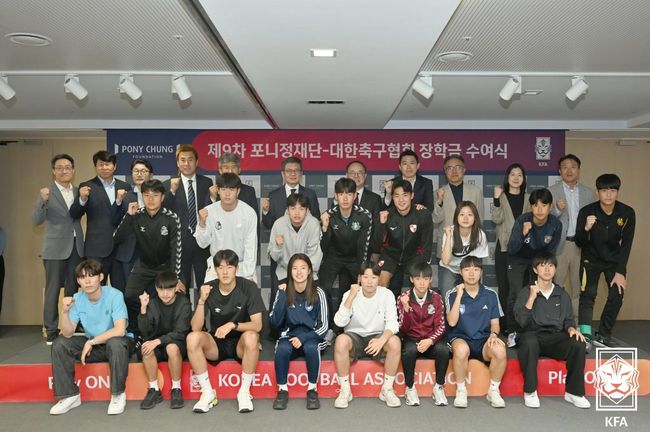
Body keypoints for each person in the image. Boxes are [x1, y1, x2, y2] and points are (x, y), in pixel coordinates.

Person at [49, 259, 134, 416]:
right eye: (82, 277)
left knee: (115, 343)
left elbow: (120, 330)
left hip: (118, 344)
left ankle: (118, 395)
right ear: (78, 281)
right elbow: (67, 333)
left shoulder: (115, 295)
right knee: (60, 343)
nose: (87, 281)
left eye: (91, 276)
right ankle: (70, 395)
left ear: (101, 277)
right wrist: (65, 312)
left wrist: (92, 341)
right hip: (94, 345)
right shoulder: (77, 298)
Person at [186, 249, 265, 414]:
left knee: (252, 337)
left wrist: (232, 325)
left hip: (241, 342)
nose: (225, 272)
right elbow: (195, 328)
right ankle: (208, 393)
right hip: (216, 342)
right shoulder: (209, 288)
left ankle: (244, 393)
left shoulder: (248, 287)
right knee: (192, 338)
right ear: (215, 270)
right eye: (221, 268)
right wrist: (201, 300)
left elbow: (257, 325)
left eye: (229, 267)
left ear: (236, 269)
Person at [514, 252, 590, 409]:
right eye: (542, 265)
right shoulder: (526, 292)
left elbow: (568, 320)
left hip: (555, 337)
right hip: (531, 335)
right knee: (529, 342)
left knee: (578, 343)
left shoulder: (562, 294)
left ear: (555, 269)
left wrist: (571, 329)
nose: (547, 269)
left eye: (551, 265)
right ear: (535, 269)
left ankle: (574, 392)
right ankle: (530, 391)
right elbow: (521, 322)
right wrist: (532, 297)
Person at [113, 179, 184, 335]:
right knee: (130, 296)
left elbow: (176, 250)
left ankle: (171, 332)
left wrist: (176, 278)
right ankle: (136, 332)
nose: (150, 199)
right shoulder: (136, 215)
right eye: (146, 195)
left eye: (155, 195)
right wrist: (128, 216)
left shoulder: (171, 218)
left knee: (176, 295)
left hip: (166, 267)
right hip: (144, 265)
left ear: (162, 197)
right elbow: (116, 238)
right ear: (142, 196)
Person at [576, 174, 635, 348]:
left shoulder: (627, 213)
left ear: (618, 192)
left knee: (617, 295)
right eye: (604, 190)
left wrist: (620, 271)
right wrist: (586, 228)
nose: (608, 194)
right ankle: (585, 336)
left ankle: (603, 335)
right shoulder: (587, 212)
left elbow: (627, 244)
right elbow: (579, 242)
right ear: (597, 192)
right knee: (588, 296)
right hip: (590, 260)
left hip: (614, 261)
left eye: (612, 190)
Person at [333, 262, 401, 408]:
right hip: (354, 336)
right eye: (365, 277)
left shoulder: (387, 294)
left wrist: (382, 340)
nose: (369, 281)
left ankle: (387, 389)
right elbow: (339, 322)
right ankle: (345, 390)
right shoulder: (349, 294)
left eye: (374, 277)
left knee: (395, 342)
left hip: (377, 337)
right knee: (340, 341)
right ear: (359, 278)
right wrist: (351, 296)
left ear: (379, 279)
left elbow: (393, 323)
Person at [32, 154, 84, 344]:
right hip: (55, 248)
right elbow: (36, 220)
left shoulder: (78, 191)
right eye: (60, 167)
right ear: (53, 171)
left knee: (74, 289)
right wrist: (42, 200)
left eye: (68, 167)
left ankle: (71, 325)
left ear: (73, 170)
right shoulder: (47, 192)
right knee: (53, 289)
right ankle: (51, 329)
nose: (64, 171)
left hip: (76, 247)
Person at [269, 254, 328, 410]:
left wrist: (304, 337)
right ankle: (282, 390)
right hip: (290, 335)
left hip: (312, 336)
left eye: (303, 268)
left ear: (309, 271)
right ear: (290, 271)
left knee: (311, 348)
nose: (299, 272)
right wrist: (282, 295)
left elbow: (324, 326)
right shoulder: (284, 291)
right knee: (282, 349)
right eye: (295, 268)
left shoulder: (318, 292)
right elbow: (275, 322)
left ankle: (312, 389)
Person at [445, 255, 506, 409]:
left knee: (499, 349)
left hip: (483, 340)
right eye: (467, 270)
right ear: (460, 272)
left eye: (476, 269)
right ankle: (461, 390)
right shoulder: (452, 294)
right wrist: (459, 295)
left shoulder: (490, 294)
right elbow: (451, 322)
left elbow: (495, 324)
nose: (471, 273)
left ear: (481, 272)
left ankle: (493, 390)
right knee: (461, 349)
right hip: (460, 337)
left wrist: (493, 335)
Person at [506, 188, 562, 347]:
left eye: (543, 205)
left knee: (540, 291)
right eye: (536, 205)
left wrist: (543, 268)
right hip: (517, 258)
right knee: (516, 293)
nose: (539, 209)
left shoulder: (555, 224)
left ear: (550, 207)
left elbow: (551, 252)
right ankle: (512, 331)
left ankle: (536, 328)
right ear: (531, 207)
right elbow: (511, 248)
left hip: (539, 260)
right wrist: (523, 233)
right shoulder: (522, 220)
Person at [262, 156, 321, 300]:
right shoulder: (274, 195)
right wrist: (266, 211)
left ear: (301, 173)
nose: (293, 174)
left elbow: (316, 218)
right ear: (283, 173)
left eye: (296, 170)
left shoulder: (310, 194)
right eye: (289, 171)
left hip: (306, 260)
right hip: (282, 259)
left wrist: (302, 269)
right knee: (279, 300)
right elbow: (269, 224)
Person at [69, 151, 131, 286]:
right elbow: (74, 214)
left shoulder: (125, 187)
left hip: (121, 249)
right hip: (96, 248)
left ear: (114, 166)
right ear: (95, 166)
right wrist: (82, 199)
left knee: (121, 290)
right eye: (101, 164)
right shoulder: (87, 187)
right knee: (96, 288)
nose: (104, 167)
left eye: (108, 164)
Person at [319, 178, 372, 335]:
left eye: (349, 194)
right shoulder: (329, 215)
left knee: (353, 290)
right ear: (335, 196)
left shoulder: (364, 215)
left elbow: (363, 246)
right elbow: (323, 247)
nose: (345, 198)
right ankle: (327, 326)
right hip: (333, 256)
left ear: (355, 196)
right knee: (323, 289)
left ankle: (350, 327)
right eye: (341, 194)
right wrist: (325, 227)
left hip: (354, 258)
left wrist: (361, 271)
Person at [397, 261, 450, 407]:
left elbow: (441, 326)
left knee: (443, 350)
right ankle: (409, 388)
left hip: (431, 339)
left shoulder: (437, 298)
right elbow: (403, 328)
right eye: (418, 279)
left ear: (430, 280)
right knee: (409, 351)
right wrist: (406, 309)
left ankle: (439, 387)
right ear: (411, 279)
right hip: (411, 338)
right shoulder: (403, 297)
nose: (422, 283)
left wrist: (430, 341)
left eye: (425, 279)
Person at [548, 154, 596, 316]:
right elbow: (544, 220)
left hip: (581, 246)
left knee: (579, 286)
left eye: (573, 167)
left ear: (579, 170)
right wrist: (557, 209)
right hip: (560, 246)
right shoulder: (551, 191)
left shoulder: (588, 193)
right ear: (559, 171)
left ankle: (576, 323)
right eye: (565, 167)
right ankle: (557, 322)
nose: (569, 171)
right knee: (556, 285)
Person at [162, 145, 213, 295]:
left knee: (205, 286)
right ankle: (183, 311)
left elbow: (211, 209)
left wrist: (212, 197)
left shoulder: (207, 183)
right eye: (183, 160)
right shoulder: (168, 185)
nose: (186, 163)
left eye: (190, 160)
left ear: (197, 162)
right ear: (177, 163)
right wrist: (171, 192)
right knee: (181, 287)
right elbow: (163, 212)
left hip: (202, 241)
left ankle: (203, 311)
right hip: (179, 243)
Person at [138, 271, 192, 410]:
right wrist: (143, 308)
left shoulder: (184, 303)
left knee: (171, 347)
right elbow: (145, 331)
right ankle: (154, 389)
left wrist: (158, 341)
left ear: (176, 288)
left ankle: (176, 388)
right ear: (156, 289)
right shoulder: (152, 303)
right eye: (161, 289)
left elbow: (180, 332)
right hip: (157, 344)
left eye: (169, 289)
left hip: (176, 343)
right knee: (146, 348)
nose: (165, 293)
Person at [374, 179, 433, 297]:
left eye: (405, 195)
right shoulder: (387, 214)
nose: (401, 200)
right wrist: (381, 224)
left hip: (414, 255)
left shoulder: (423, 214)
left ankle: (423, 308)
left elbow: (427, 244)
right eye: (397, 196)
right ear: (392, 197)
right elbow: (376, 244)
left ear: (412, 195)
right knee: (381, 283)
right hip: (390, 255)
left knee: (423, 283)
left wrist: (423, 266)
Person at [196, 173, 258, 282]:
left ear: (238, 191)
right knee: (206, 292)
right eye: (223, 189)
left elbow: (251, 247)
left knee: (249, 290)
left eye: (232, 189)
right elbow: (202, 244)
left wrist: (248, 276)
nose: (227, 194)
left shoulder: (249, 213)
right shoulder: (209, 211)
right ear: (218, 190)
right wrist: (202, 224)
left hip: (241, 266)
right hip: (217, 267)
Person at [491, 163, 530, 332]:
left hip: (525, 249)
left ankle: (521, 323)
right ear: (507, 178)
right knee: (505, 288)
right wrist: (496, 199)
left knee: (523, 288)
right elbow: (496, 219)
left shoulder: (530, 198)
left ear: (524, 179)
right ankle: (505, 325)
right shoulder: (501, 196)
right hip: (504, 248)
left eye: (519, 175)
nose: (516, 178)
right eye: (512, 174)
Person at [268, 193, 323, 306]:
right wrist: (278, 246)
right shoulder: (279, 224)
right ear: (287, 210)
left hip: (308, 274)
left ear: (307, 210)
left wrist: (300, 272)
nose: (297, 213)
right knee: (280, 307)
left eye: (301, 209)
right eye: (293, 208)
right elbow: (274, 257)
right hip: (284, 273)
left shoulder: (314, 224)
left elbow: (315, 256)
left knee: (312, 306)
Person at [433, 155, 485, 272]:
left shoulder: (475, 191)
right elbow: (436, 219)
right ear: (445, 171)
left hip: (471, 248)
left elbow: (479, 219)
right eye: (450, 168)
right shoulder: (438, 193)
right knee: (447, 283)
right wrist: (439, 201)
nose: (454, 171)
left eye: (457, 167)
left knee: (471, 283)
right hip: (447, 248)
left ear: (464, 170)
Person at [112, 159, 154, 291]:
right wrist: (118, 201)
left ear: (151, 175)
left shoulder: (157, 196)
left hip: (151, 252)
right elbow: (113, 220)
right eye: (136, 171)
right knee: (130, 293)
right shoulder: (125, 196)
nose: (139, 174)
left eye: (143, 171)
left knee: (150, 292)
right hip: (129, 252)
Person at [439, 201, 489, 299]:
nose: (465, 218)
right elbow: (445, 261)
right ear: (456, 217)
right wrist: (448, 236)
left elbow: (477, 263)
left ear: (475, 218)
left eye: (470, 215)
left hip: (468, 268)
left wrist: (471, 275)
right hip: (450, 268)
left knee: (473, 298)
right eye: (462, 214)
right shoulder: (450, 232)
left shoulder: (480, 235)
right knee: (447, 298)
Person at [211, 152, 259, 219]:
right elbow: (207, 217)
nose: (230, 171)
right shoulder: (214, 191)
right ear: (220, 171)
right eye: (226, 168)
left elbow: (255, 219)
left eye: (233, 167)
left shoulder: (249, 191)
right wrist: (213, 198)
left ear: (239, 170)